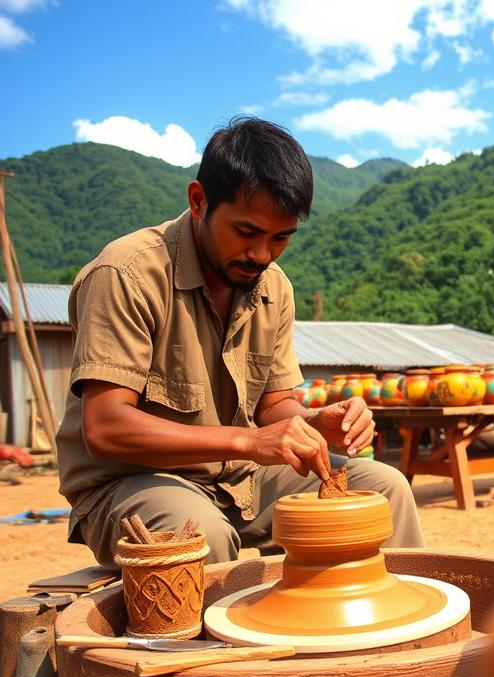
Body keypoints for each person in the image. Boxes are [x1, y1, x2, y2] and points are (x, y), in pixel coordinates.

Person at [56, 117, 424, 566]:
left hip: (239, 479)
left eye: (281, 238)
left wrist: (314, 424)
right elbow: (105, 428)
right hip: (130, 484)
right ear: (198, 201)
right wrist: (247, 442)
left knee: (386, 489)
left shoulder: (274, 288)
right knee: (201, 533)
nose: (262, 255)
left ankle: (400, 629)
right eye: (247, 232)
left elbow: (274, 406)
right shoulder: (127, 274)